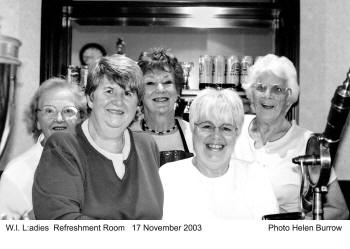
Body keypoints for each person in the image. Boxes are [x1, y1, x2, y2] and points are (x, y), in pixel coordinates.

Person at [32, 54, 163, 220]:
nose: (118, 101)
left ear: (138, 104)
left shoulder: (147, 145)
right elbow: (61, 222)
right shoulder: (62, 147)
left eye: (128, 93)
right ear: (90, 98)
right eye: (109, 91)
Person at [233, 54, 349, 219]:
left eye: (277, 89)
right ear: (251, 93)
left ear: (289, 98)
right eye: (260, 87)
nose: (268, 95)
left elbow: (339, 210)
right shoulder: (232, 129)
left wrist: (295, 227)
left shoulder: (307, 143)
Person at [160, 88, 279, 220]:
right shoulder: (168, 176)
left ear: (237, 133)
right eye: (206, 126)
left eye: (226, 128)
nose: (216, 135)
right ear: (193, 128)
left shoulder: (256, 177)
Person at [0, 77, 87, 219]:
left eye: (68, 111)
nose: (59, 118)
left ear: (80, 118)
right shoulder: (15, 174)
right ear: (37, 121)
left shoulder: (100, 159)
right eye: (49, 111)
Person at [130, 47, 193, 166]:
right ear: (140, 92)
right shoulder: (128, 137)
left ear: (178, 90)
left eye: (167, 82)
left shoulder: (195, 135)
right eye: (150, 83)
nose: (160, 89)